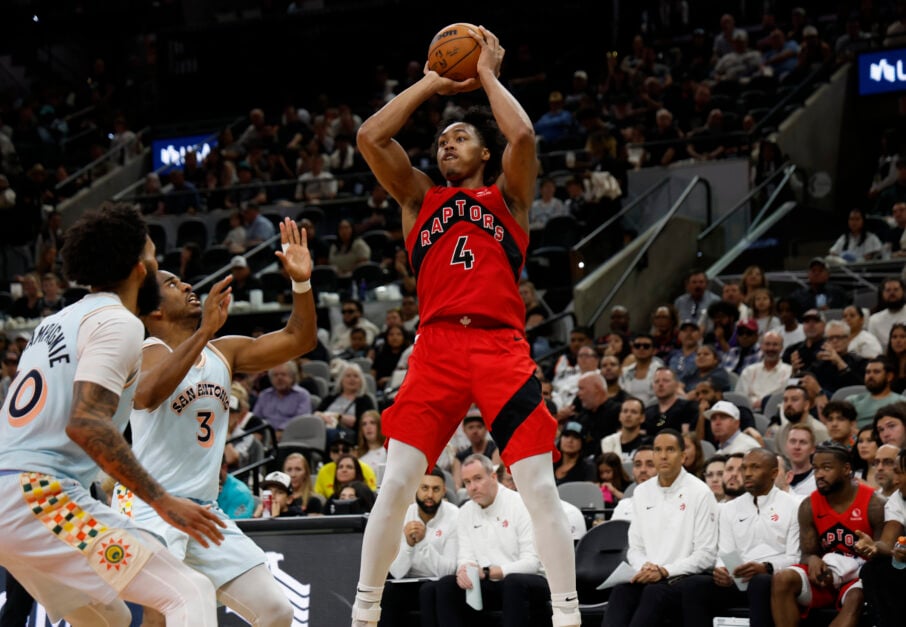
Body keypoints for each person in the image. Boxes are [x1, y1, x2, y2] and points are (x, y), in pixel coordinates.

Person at [352, 26, 579, 627]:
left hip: (500, 346)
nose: (445, 146)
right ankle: (364, 609)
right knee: (398, 480)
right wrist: (432, 81)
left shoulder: (511, 198)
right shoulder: (417, 199)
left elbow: (523, 133)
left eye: (460, 138)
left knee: (536, 484)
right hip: (437, 346)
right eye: (442, 140)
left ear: (485, 153)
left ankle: (567, 614)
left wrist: (486, 76)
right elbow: (370, 135)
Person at [0, 203, 225, 626]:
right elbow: (86, 422)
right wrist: (162, 502)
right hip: (39, 496)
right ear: (140, 268)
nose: (159, 267)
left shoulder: (56, 320)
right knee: (189, 591)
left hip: (10, 498)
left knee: (109, 619)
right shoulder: (118, 323)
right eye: (155, 258)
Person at [118, 216, 316, 627]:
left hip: (204, 510)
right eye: (174, 284)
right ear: (154, 309)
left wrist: (301, 284)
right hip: (151, 506)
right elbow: (148, 393)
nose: (189, 286)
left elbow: (300, 340)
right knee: (167, 613)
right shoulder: (144, 350)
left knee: (277, 611)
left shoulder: (224, 352)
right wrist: (205, 328)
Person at [602, 430, 718, 627]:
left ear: (683, 456)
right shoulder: (641, 492)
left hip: (683, 577)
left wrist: (664, 571)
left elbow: (706, 555)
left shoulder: (700, 493)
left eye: (670, 450)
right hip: (650, 575)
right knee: (622, 591)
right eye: (658, 450)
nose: (663, 456)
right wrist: (645, 568)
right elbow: (635, 548)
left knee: (654, 592)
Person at [678, 448, 800, 626]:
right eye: (744, 468)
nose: (747, 474)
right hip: (737, 580)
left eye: (755, 468)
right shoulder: (729, 508)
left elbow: (795, 557)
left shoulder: (794, 506)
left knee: (761, 582)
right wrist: (722, 570)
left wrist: (766, 567)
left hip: (772, 579)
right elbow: (725, 552)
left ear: (774, 473)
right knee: (694, 585)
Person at [770, 441, 885, 627]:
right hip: (825, 575)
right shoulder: (809, 505)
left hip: (859, 576)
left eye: (827, 468)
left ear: (847, 469)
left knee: (856, 597)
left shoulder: (874, 504)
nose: (819, 474)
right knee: (782, 578)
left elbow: (883, 556)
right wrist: (813, 560)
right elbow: (807, 553)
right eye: (816, 469)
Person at [433, 454, 552, 627]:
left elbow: (532, 563)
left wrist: (490, 572)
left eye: (478, 479)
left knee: (514, 582)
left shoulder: (520, 504)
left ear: (493, 476)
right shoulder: (465, 511)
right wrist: (464, 571)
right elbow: (465, 556)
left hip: (529, 581)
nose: (472, 487)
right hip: (488, 582)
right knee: (446, 585)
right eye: (467, 482)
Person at [382, 466, 459, 627]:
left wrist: (423, 542)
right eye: (424, 488)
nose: (430, 495)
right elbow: (396, 573)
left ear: (444, 491)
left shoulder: (454, 516)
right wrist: (409, 545)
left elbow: (448, 571)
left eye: (436, 489)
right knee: (387, 590)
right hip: (408, 582)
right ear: (415, 489)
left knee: (428, 591)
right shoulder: (403, 514)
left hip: (439, 583)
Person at [856, 448, 906, 623]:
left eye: (901, 473)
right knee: (873, 569)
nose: (897, 480)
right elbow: (888, 542)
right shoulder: (898, 498)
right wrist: (874, 547)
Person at [845, 358, 906, 427]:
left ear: (889, 376)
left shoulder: (902, 402)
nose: (870, 376)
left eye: (876, 372)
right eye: (868, 372)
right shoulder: (852, 401)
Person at [867, 277, 906, 352]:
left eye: (896, 289)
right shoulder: (874, 320)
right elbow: (873, 350)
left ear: (903, 292)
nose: (892, 293)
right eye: (888, 290)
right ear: (882, 294)